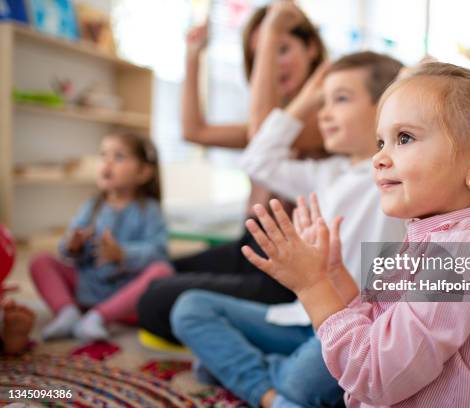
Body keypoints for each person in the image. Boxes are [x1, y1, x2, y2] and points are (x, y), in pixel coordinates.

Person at [242, 62, 470, 407]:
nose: (378, 157)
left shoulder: (464, 253)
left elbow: (376, 375)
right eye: (381, 142)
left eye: (404, 138)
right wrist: (333, 274)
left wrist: (312, 286)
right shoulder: (442, 234)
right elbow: (383, 328)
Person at [170, 52, 406, 408]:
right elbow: (257, 160)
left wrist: (405, 90)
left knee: (300, 384)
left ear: (387, 105)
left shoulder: (394, 175)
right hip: (298, 316)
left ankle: (247, 374)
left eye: (340, 99)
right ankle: (269, 394)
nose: (323, 112)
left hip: (351, 325)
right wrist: (308, 97)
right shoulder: (325, 172)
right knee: (190, 308)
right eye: (321, 102)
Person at [138, 1, 328, 344]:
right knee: (157, 271)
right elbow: (194, 131)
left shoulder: (326, 120)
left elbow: (263, 135)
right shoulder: (276, 121)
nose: (268, 66)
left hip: (282, 274)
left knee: (153, 299)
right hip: (251, 245)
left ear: (311, 48)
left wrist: (271, 28)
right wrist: (193, 56)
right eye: (259, 58)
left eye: (280, 50)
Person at [30, 133, 172, 342]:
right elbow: (68, 250)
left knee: (163, 271)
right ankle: (67, 313)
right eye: (103, 155)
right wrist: (73, 246)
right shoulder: (92, 206)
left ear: (143, 172)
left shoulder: (149, 210)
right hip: (86, 286)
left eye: (119, 157)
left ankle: (98, 317)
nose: (107, 162)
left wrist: (123, 254)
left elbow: (159, 252)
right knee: (40, 261)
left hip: (123, 295)